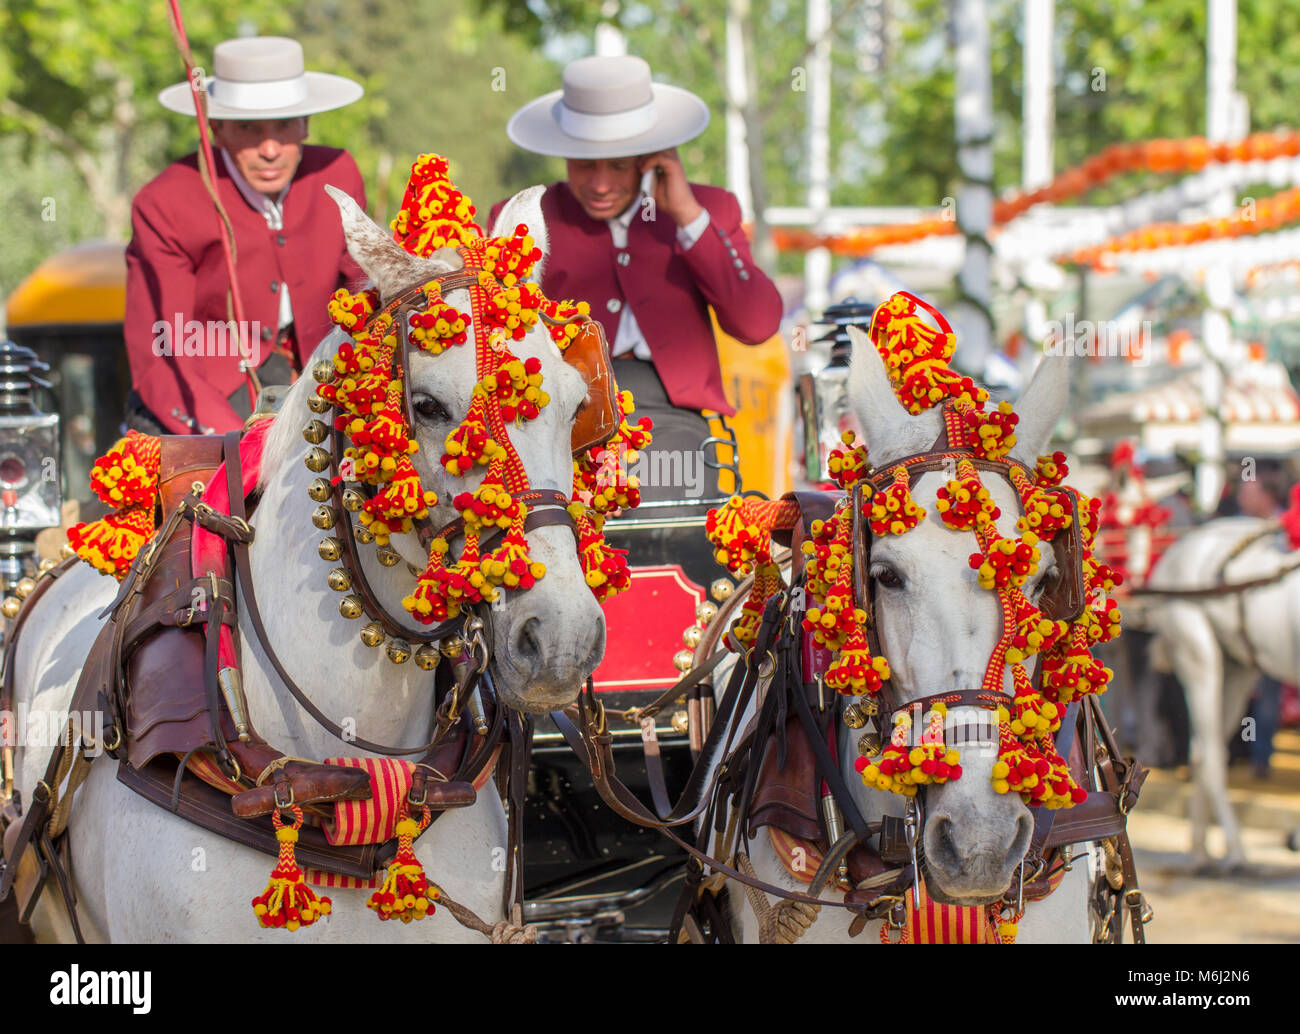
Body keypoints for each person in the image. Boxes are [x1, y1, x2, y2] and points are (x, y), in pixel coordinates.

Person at [491, 55, 783, 502]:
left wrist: (687, 216)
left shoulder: (709, 208)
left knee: (671, 521)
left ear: (652, 157)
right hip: (558, 422)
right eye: (585, 164)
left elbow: (757, 322)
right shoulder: (526, 216)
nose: (601, 183)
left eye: (619, 165)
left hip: (673, 419)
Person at [124, 36, 367, 435]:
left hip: (325, 379)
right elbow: (162, 348)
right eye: (248, 128)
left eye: (284, 125)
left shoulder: (338, 173)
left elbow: (362, 293)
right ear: (215, 128)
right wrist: (233, 440)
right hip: (209, 388)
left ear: (305, 123)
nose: (269, 149)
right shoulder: (164, 202)